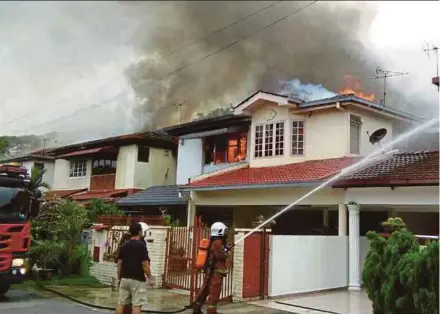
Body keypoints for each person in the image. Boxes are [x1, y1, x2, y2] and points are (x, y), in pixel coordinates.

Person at [115, 222, 155, 314]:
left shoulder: (124, 246)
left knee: (121, 303)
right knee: (137, 305)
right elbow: (145, 264)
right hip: (137, 280)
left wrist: (119, 277)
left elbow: (119, 263)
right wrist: (150, 277)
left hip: (124, 279)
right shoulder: (141, 246)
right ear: (140, 232)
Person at [193, 222, 230, 314]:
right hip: (216, 273)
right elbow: (221, 256)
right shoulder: (217, 243)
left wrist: (225, 248)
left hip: (210, 272)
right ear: (220, 231)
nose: (226, 233)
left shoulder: (213, 241)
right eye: (225, 231)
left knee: (205, 290)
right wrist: (227, 252)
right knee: (214, 293)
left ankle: (196, 308)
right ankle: (211, 311)